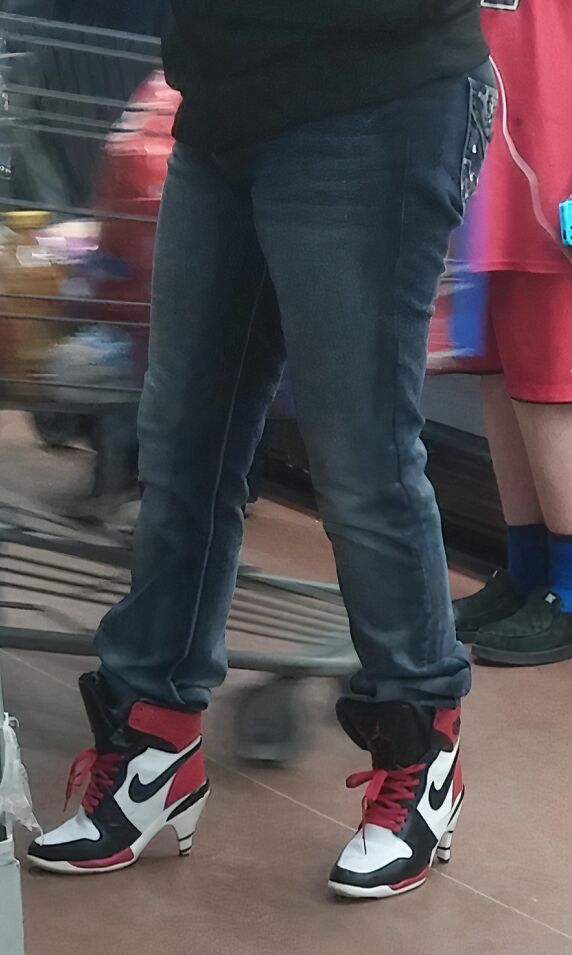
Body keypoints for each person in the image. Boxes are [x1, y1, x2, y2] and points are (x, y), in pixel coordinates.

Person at [28, 2, 494, 899]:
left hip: (377, 97)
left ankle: (422, 750)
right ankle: (153, 742)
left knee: (360, 452)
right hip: (222, 105)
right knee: (182, 446)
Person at [453, 1, 572, 666]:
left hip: (556, 172)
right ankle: (527, 568)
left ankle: (570, 587)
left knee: (550, 383)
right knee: (500, 375)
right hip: (488, 167)